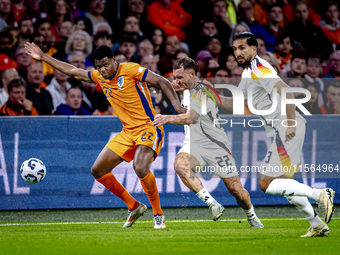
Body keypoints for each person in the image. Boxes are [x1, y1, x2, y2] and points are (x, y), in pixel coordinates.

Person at [24, 42, 186, 228]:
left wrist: (178, 106)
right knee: (97, 170)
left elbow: (162, 81)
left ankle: (158, 214)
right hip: (127, 132)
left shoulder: (131, 70)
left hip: (148, 127)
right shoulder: (99, 77)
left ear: (114, 60)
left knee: (140, 166)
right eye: (98, 66)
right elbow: (72, 71)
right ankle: (134, 206)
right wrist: (44, 57)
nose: (102, 69)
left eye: (105, 64)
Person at [215, 32, 335, 237]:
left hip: (287, 127)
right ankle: (317, 224)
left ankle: (321, 194)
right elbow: (237, 103)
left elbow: (286, 92)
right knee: (286, 184)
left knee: (266, 183)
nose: (238, 53)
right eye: (235, 49)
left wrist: (289, 124)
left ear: (254, 49)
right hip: (285, 128)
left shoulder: (260, 69)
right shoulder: (248, 73)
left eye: (242, 47)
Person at [152, 57, 263, 228]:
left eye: (179, 78)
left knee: (236, 190)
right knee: (180, 165)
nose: (176, 81)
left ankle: (251, 215)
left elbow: (192, 117)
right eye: (175, 77)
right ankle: (213, 204)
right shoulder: (189, 89)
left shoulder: (201, 90)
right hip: (193, 143)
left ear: (192, 74)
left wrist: (166, 118)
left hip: (215, 145)